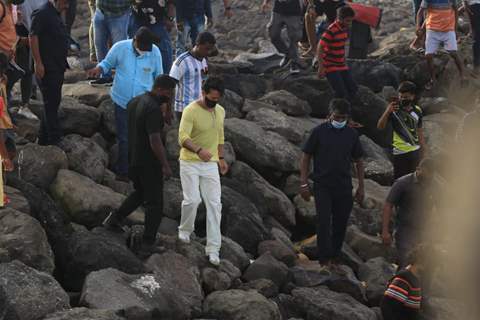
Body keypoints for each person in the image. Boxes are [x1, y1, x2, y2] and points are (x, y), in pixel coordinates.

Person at [103, 75, 175, 256]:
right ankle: (148, 242)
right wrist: (165, 164)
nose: (170, 97)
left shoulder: (136, 101)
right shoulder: (152, 110)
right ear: (161, 90)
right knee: (155, 203)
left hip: (132, 158)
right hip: (148, 162)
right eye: (169, 93)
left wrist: (167, 108)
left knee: (140, 193)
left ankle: (115, 219)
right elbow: (154, 139)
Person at [87, 27, 163, 181]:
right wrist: (98, 69)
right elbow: (107, 63)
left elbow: (159, 77)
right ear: (135, 41)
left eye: (149, 48)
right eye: (144, 48)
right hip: (122, 101)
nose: (147, 51)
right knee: (124, 138)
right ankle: (123, 171)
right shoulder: (120, 48)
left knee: (144, 138)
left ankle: (143, 170)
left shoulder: (154, 51)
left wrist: (161, 104)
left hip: (143, 104)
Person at [300, 98, 365, 271]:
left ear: (347, 117)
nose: (339, 120)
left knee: (341, 222)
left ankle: (335, 256)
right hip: (322, 185)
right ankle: (324, 260)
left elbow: (359, 160)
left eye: (342, 118)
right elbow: (306, 156)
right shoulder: (318, 132)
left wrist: (361, 187)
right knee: (323, 221)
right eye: (336, 117)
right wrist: (304, 183)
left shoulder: (351, 134)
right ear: (330, 115)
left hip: (344, 185)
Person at [177, 76, 229, 266]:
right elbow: (182, 137)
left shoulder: (220, 111)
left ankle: (213, 248)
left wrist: (221, 158)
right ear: (203, 92)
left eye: (217, 100)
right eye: (210, 99)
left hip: (211, 164)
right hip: (190, 161)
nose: (213, 103)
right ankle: (185, 230)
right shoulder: (190, 110)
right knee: (192, 200)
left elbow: (220, 135)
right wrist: (199, 150)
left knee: (215, 204)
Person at [381, 158, 436, 269]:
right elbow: (388, 205)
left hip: (423, 230)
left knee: (426, 265)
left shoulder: (433, 184)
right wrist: (385, 231)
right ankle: (402, 283)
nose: (427, 179)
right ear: (418, 169)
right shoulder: (403, 183)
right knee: (407, 262)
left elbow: (436, 207)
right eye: (425, 175)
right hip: (405, 230)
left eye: (430, 176)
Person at [30, 0, 69, 146]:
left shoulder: (56, 13)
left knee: (52, 103)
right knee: (51, 105)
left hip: (57, 66)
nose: (67, 6)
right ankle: (55, 139)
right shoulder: (42, 13)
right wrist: (38, 62)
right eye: (64, 3)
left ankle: (42, 138)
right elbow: (33, 36)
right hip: (47, 68)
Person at [377, 81, 426, 180]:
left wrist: (424, 152)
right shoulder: (394, 110)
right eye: (401, 97)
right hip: (400, 153)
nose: (403, 99)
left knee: (414, 182)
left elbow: (419, 132)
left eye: (406, 97)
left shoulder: (417, 111)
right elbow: (380, 126)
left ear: (413, 96)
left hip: (415, 152)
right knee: (399, 182)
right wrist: (387, 111)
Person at [417, 0, 465, 90]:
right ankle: (433, 79)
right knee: (428, 55)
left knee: (453, 53)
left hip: (448, 29)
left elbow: (456, 11)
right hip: (432, 29)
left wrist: (455, 28)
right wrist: (418, 27)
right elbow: (420, 12)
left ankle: (462, 75)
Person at [169, 31, 215, 120]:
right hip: (184, 108)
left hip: (200, 106)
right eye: (206, 48)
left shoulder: (204, 61)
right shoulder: (182, 61)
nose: (208, 52)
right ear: (197, 44)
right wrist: (168, 109)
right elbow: (170, 85)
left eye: (210, 49)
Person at [380, 244, 432, 320]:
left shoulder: (414, 278)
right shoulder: (404, 279)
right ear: (420, 261)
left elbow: (415, 308)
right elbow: (387, 307)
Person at [317, 6, 357, 101]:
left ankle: (347, 110)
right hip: (330, 65)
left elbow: (341, 46)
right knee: (340, 92)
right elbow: (320, 47)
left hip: (341, 64)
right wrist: (321, 67)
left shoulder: (345, 29)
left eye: (351, 21)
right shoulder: (331, 30)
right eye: (347, 21)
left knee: (353, 88)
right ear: (340, 19)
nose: (350, 23)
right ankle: (336, 112)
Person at [128, 0, 175, 73]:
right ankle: (133, 74)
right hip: (137, 16)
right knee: (133, 48)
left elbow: (171, 2)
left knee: (163, 49)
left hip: (158, 19)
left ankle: (166, 77)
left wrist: (170, 18)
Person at [91, 0, 131, 85]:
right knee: (99, 44)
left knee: (120, 48)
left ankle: (120, 79)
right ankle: (105, 76)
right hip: (100, 11)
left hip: (119, 13)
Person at [261, 0, 305, 74]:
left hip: (294, 12)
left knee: (294, 38)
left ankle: (294, 63)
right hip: (277, 11)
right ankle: (288, 55)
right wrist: (265, 2)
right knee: (273, 34)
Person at [464, 0, 480, 75]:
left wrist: (470, 27)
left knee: (476, 37)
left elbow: (465, 5)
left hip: (474, 8)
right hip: (475, 7)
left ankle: (476, 67)